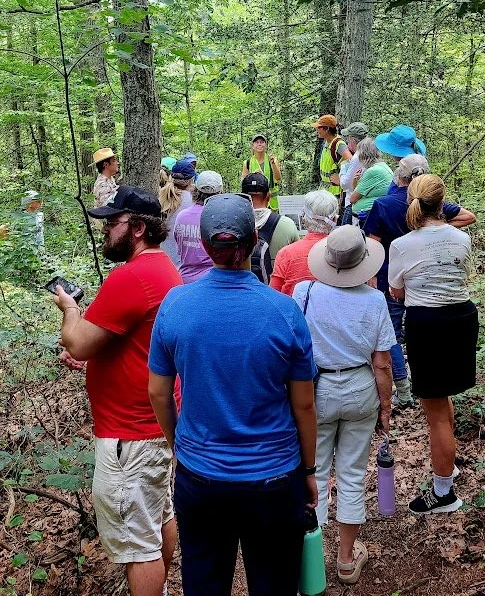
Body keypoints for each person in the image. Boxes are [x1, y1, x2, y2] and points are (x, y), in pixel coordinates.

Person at [148, 193, 317, 596]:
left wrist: (181, 447)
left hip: (201, 476)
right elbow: (304, 403)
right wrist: (308, 472)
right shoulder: (284, 311)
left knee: (205, 582)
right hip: (274, 478)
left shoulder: (176, 305)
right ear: (256, 239)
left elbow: (158, 392)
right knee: (274, 583)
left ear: (204, 246)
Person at [52, 186, 182, 596]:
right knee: (159, 514)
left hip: (130, 435)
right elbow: (131, 341)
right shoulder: (164, 269)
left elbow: (77, 341)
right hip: (153, 425)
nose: (106, 231)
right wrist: (96, 359)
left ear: (139, 227)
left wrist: (70, 309)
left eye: (113, 223)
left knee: (137, 546)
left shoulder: (133, 276)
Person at [293, 226, 395, 585]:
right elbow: (382, 363)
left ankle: (314, 560)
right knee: (351, 473)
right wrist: (386, 406)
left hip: (314, 391)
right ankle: (347, 560)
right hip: (359, 387)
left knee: (314, 473)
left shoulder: (303, 293)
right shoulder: (375, 301)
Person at [388, 174, 478, 515]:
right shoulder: (460, 236)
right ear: (443, 202)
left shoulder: (402, 244)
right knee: (443, 400)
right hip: (462, 318)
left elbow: (396, 289)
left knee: (435, 412)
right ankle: (447, 464)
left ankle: (443, 493)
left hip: (429, 323)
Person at [365, 154, 476, 409]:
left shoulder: (384, 206)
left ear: (400, 177)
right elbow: (468, 218)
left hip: (395, 281)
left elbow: (373, 242)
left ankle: (403, 389)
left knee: (392, 334)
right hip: (449, 306)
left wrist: (370, 276)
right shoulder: (445, 218)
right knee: (442, 394)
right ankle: (410, 388)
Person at [270, 190, 339, 296]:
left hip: (294, 311)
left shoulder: (286, 253)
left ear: (303, 216)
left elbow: (274, 294)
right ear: (334, 219)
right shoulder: (342, 252)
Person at [241, 172, 299, 270]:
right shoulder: (287, 225)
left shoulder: (233, 225)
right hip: (276, 284)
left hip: (243, 284)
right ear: (268, 196)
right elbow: (296, 260)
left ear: (243, 197)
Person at [174, 170, 223, 282]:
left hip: (183, 279)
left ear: (195, 190)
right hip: (210, 280)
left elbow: (178, 244)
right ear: (220, 192)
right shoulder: (218, 218)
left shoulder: (182, 216)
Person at [159, 159, 195, 267]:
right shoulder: (193, 202)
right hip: (184, 265)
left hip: (164, 261)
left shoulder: (161, 198)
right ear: (191, 180)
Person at [349, 138, 393, 223]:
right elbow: (357, 192)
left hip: (368, 215)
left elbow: (353, 199)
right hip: (371, 213)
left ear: (362, 155)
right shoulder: (382, 166)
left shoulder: (373, 171)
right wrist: (355, 180)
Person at [312, 115, 351, 199]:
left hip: (336, 193)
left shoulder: (339, 144)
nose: (316, 130)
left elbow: (351, 161)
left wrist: (341, 180)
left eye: (319, 128)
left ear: (327, 129)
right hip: (325, 190)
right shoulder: (327, 142)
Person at [241, 133, 281, 211]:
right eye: (257, 142)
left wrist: (273, 164)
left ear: (265, 145)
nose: (259, 144)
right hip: (255, 202)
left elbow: (278, 178)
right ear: (253, 146)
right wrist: (253, 176)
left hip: (272, 202)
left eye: (262, 142)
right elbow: (243, 183)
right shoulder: (247, 163)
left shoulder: (272, 160)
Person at [339, 123, 370, 225]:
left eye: (348, 139)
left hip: (353, 203)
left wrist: (343, 168)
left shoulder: (358, 157)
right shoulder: (369, 153)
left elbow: (346, 184)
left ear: (352, 139)